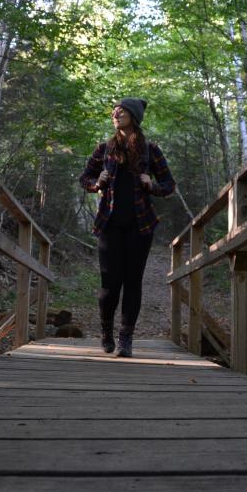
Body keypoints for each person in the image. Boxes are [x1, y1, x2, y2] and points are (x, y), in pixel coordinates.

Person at [79, 98, 176, 357]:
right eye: (114, 111)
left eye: (121, 110)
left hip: (140, 227)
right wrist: (95, 183)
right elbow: (84, 178)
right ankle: (106, 331)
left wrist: (151, 184)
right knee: (109, 285)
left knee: (133, 282)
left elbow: (169, 184)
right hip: (109, 226)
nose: (116, 113)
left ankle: (125, 339)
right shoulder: (104, 149)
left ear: (134, 116)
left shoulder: (150, 150)